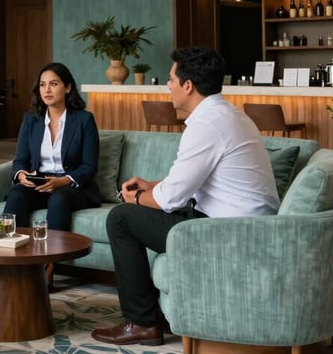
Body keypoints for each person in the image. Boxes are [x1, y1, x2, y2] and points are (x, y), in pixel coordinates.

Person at [91, 46, 279, 346]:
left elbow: (170, 200)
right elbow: (187, 183)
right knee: (139, 212)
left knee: (121, 218)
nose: (168, 85)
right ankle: (156, 316)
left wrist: (134, 199)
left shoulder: (207, 124)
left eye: (170, 79)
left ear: (187, 85)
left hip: (230, 233)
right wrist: (151, 185)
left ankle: (142, 323)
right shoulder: (227, 113)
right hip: (240, 224)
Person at [3, 62, 101, 290]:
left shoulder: (84, 120)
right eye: (42, 85)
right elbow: (20, 159)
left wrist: (63, 181)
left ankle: (48, 266)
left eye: (54, 84)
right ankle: (11, 261)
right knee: (17, 194)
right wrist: (22, 175)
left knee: (59, 198)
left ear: (67, 88)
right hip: (40, 181)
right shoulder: (32, 119)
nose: (47, 90)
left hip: (73, 186)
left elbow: (89, 166)